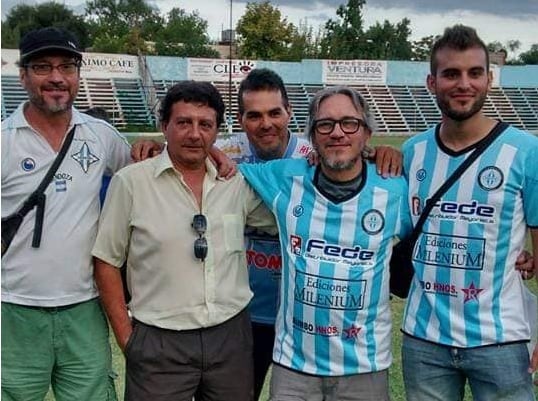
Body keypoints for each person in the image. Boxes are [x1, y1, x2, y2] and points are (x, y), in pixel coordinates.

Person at [91, 80, 276, 401]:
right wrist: (127, 338)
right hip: (159, 340)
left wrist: (368, 156)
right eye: (183, 123)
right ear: (164, 126)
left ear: (217, 131)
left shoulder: (236, 183)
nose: (194, 134)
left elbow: (292, 217)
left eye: (205, 125)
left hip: (230, 338)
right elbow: (106, 260)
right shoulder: (131, 182)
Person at [238, 85, 413, 401]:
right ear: (312, 137)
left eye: (350, 123)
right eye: (325, 124)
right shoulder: (284, 178)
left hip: (364, 366)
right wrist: (159, 150)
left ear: (367, 133)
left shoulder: (395, 190)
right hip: (294, 366)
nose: (337, 133)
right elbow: (215, 168)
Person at [400, 24, 538, 401]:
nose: (464, 84)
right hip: (423, 339)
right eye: (451, 74)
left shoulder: (526, 152)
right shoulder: (412, 152)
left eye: (474, 72)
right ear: (432, 82)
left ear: (489, 79)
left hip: (501, 341)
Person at [0, 27, 130, 400]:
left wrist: (213, 154)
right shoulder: (4, 141)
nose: (56, 78)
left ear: (77, 75)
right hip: (13, 310)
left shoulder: (100, 135)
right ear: (22, 74)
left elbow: (146, 174)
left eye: (67, 67)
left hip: (85, 309)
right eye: (42, 67)